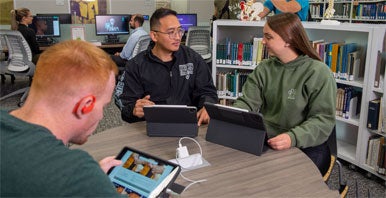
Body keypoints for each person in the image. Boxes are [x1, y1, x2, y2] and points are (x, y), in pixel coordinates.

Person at [0, 40, 126, 197]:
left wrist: (92, 181)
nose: (101, 115)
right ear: (85, 106)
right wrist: (88, 181)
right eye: (104, 105)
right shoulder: (77, 173)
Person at [232, 13, 337, 176]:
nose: (263, 41)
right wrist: (232, 115)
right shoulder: (264, 68)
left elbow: (323, 120)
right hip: (269, 138)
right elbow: (247, 102)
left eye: (268, 37)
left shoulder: (318, 72)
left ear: (288, 40)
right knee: (239, 168)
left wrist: (292, 138)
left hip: (306, 144)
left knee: (288, 180)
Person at [114, 8, 218, 126]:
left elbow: (208, 91)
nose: (178, 37)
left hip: (189, 126)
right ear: (154, 36)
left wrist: (207, 106)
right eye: (171, 32)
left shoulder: (193, 59)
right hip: (149, 129)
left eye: (179, 31)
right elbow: (126, 104)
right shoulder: (136, 65)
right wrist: (133, 109)